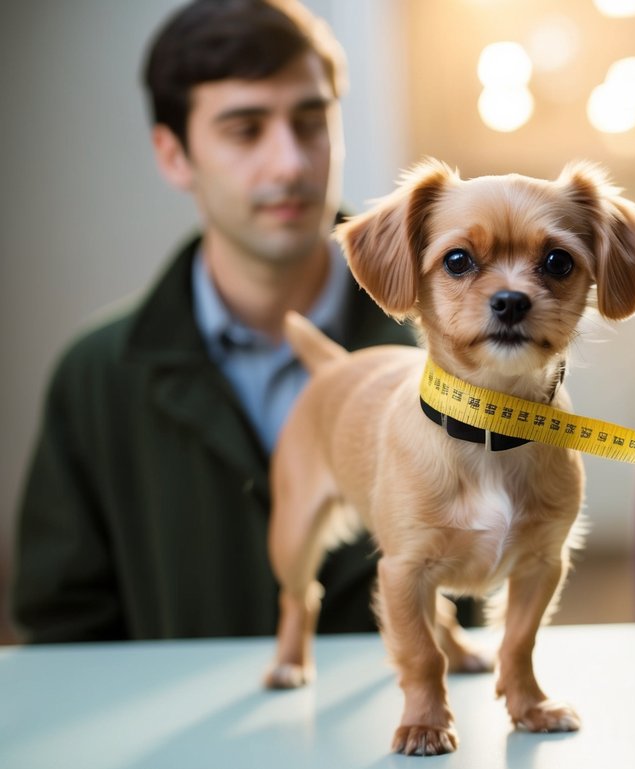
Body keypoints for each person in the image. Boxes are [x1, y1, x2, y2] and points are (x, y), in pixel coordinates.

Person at [11, 0, 417, 642]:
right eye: (245, 129)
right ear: (174, 156)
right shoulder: (93, 382)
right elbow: (63, 633)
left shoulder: (441, 358)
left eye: (311, 122)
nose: (289, 163)